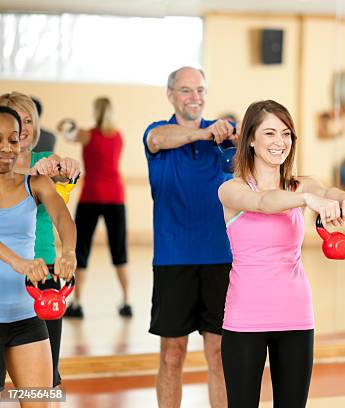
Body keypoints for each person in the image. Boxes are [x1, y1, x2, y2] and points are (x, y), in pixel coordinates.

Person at [217, 99, 345, 407]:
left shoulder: (303, 185)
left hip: (296, 313)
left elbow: (330, 193)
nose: (279, 142)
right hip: (246, 317)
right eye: (269, 134)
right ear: (251, 141)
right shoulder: (232, 189)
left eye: (286, 134)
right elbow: (263, 203)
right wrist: (306, 200)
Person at [144, 66, 237, 408]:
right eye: (186, 90)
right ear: (170, 95)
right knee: (172, 353)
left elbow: (258, 146)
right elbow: (159, 141)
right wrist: (202, 134)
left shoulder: (224, 135)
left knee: (219, 352)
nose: (194, 97)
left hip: (220, 257)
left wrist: (237, 137)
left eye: (199, 90)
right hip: (173, 259)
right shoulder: (157, 131)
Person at [0, 92, 80, 391]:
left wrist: (69, 252)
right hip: (18, 274)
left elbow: (63, 217)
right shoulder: (29, 171)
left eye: (14, 136)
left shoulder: (40, 174)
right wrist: (18, 262)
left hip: (30, 300)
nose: (10, 145)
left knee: (43, 392)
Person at [59, 97, 131, 319]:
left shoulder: (87, 134)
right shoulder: (118, 136)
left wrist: (67, 123)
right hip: (115, 196)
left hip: (91, 196)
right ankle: (127, 302)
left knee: (81, 249)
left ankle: (77, 302)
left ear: (95, 112)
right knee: (119, 250)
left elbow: (63, 130)